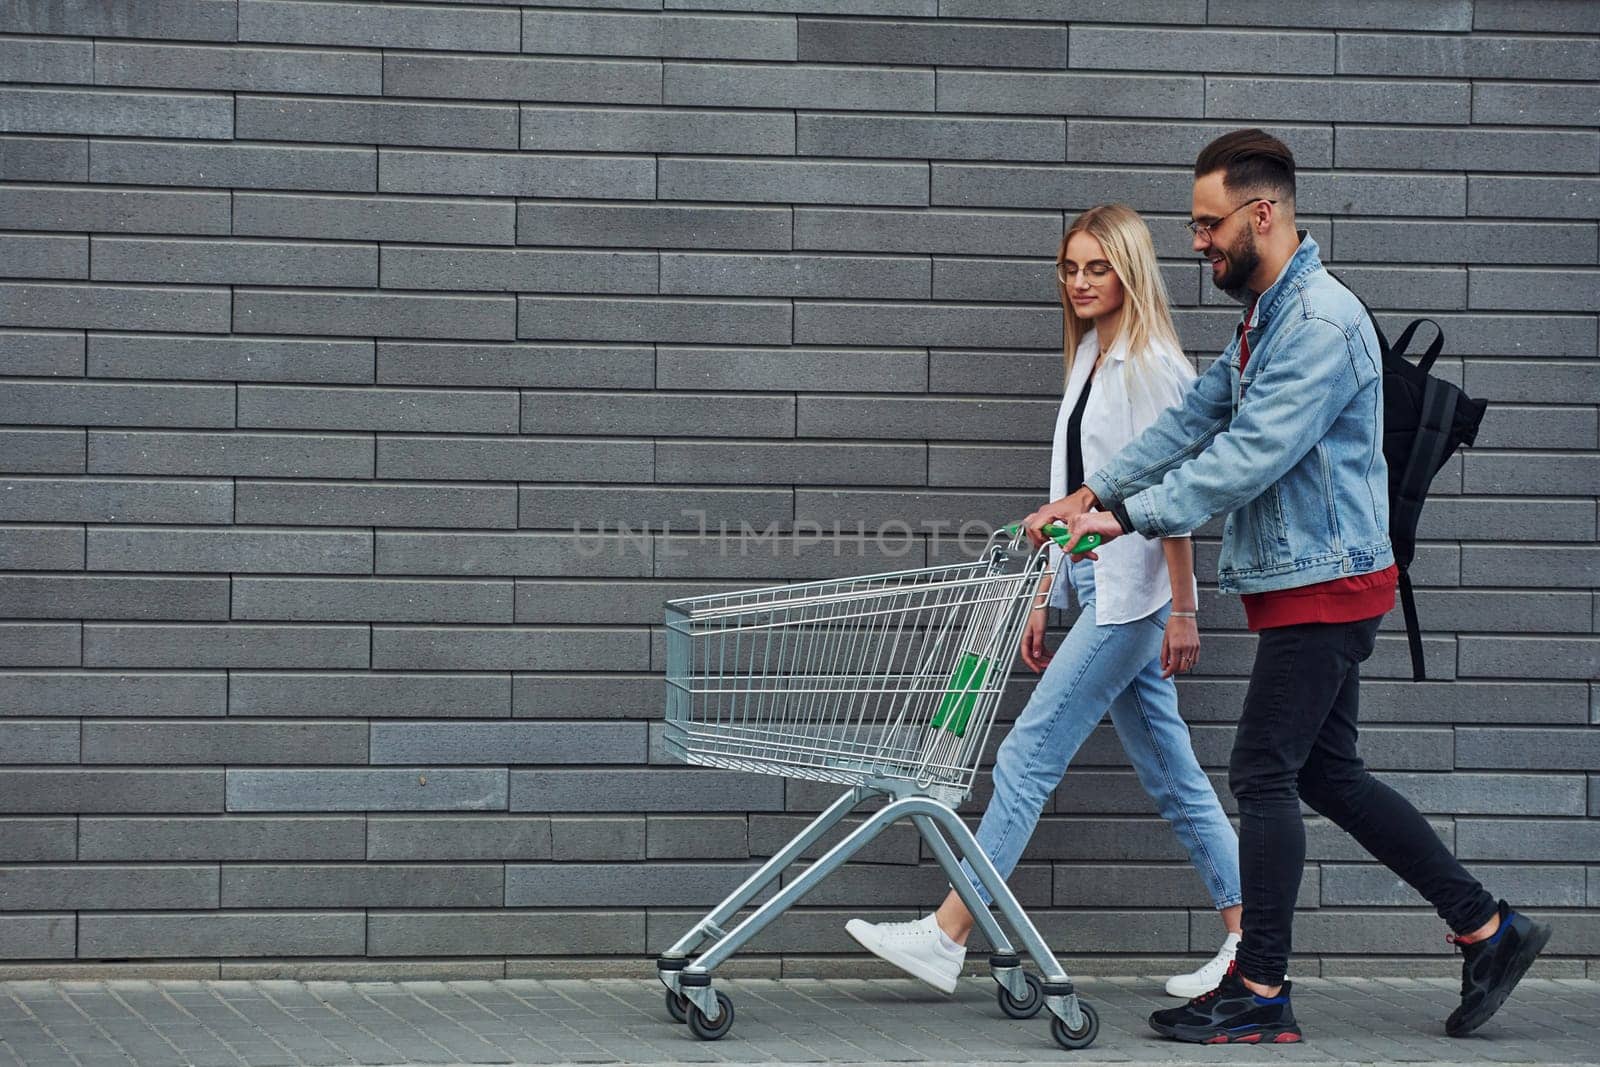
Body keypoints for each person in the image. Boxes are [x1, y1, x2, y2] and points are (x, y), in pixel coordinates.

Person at [1041, 129, 1552, 1044]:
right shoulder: (1270, 311)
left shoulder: (1316, 324)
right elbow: (1198, 416)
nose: (1197, 242)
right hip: (1309, 580)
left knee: (1263, 771)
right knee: (1327, 772)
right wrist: (1098, 486)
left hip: (1329, 584)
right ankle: (1489, 927)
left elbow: (1246, 457)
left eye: (1208, 224)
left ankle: (1263, 987)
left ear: (1261, 213)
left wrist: (1127, 518)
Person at [845, 203, 1244, 1000]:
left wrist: (1184, 608)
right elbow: (1073, 492)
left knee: (1028, 753)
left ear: (1130, 270)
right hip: (1099, 585)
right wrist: (1042, 593)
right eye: (1071, 267)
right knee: (1172, 774)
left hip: (1131, 599)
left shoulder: (1149, 363)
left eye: (1098, 267)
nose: (1081, 282)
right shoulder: (1095, 353)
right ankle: (1254, 938)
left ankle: (951, 928)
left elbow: (1171, 494)